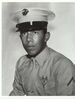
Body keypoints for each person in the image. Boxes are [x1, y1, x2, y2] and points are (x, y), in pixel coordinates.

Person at [9, 8, 75, 96]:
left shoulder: (62, 66)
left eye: (35, 32)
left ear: (46, 37)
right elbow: (16, 94)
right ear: (20, 37)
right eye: (24, 33)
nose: (28, 39)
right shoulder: (22, 63)